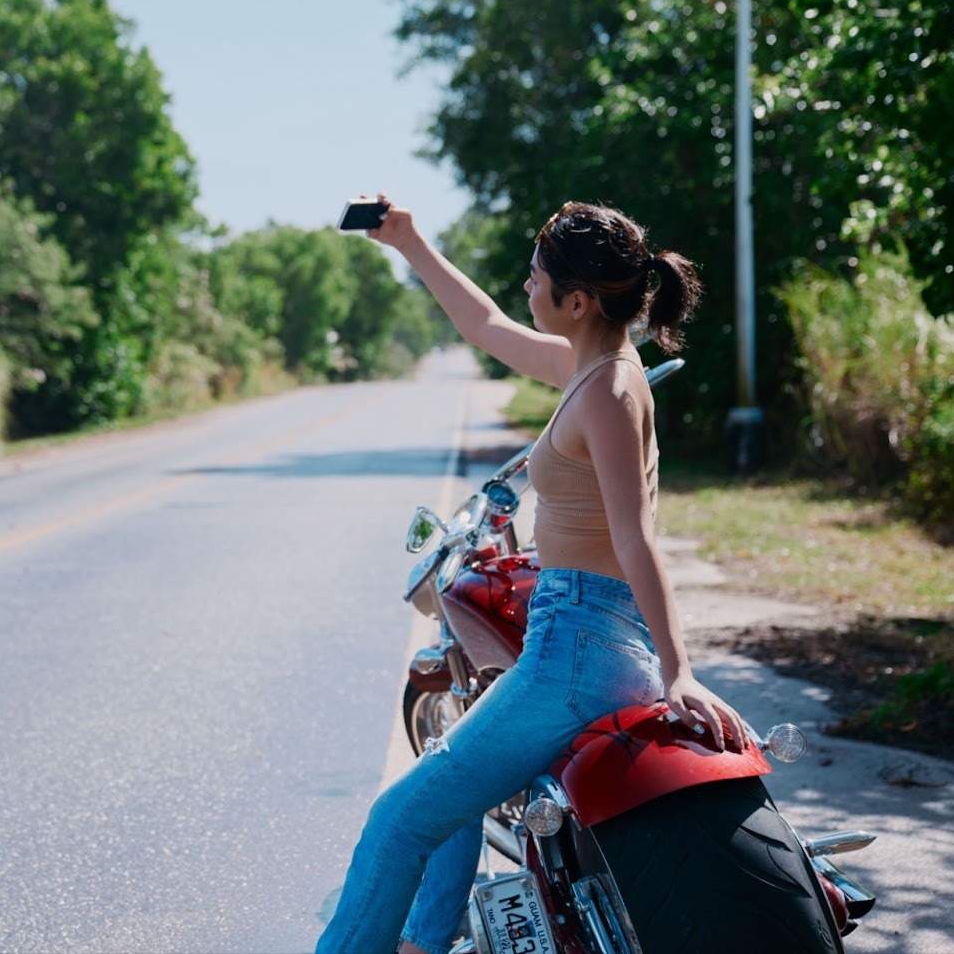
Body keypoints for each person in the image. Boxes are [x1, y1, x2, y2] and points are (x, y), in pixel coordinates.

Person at [315, 196, 747, 954]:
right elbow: (484, 328)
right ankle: (423, 939)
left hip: (576, 645)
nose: (526, 285)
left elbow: (635, 535)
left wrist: (680, 670)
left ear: (576, 301)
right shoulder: (593, 364)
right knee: (451, 796)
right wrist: (410, 242)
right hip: (577, 633)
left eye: (538, 277)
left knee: (397, 818)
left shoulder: (609, 389)